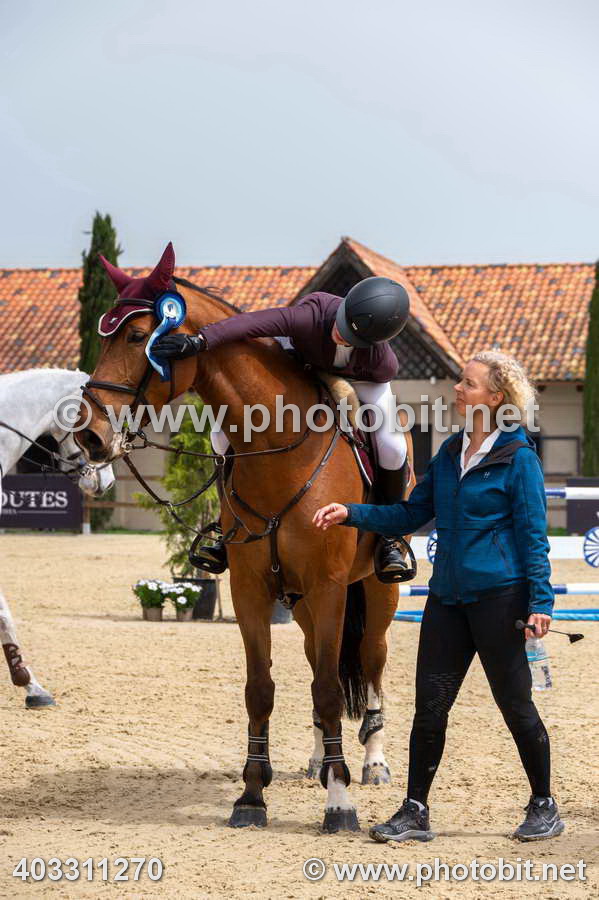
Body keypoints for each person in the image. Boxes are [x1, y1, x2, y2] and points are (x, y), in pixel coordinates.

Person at [313, 350, 565, 843]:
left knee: (515, 705)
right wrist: (352, 513)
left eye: (468, 383)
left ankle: (544, 804)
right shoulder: (450, 453)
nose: (457, 389)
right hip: (447, 599)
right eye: (459, 381)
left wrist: (541, 604)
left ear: (496, 397)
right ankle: (415, 809)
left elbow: (534, 537)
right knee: (430, 708)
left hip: (500, 599)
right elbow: (410, 514)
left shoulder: (519, 459)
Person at [152, 276, 412, 579]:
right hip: (297, 367)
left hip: (362, 381)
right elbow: (249, 324)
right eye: (342, 324)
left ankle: (389, 538)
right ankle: (225, 527)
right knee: (220, 436)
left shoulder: (382, 361)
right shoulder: (310, 316)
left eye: (351, 336)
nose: (340, 334)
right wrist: (200, 341)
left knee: (394, 448)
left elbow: (369, 385)